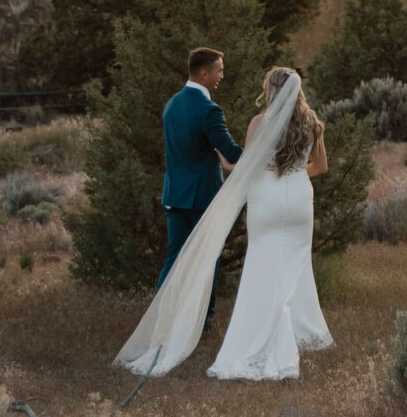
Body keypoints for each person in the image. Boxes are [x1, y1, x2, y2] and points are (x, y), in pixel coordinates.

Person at [116, 65, 331, 384]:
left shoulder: (261, 122)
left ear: (271, 91)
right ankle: (297, 329)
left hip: (267, 201)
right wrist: (295, 174)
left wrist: (228, 163)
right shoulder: (314, 125)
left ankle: (271, 338)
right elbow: (321, 167)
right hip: (300, 202)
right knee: (293, 268)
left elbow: (246, 168)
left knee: (262, 268)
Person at [157, 48, 243, 323]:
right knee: (207, 258)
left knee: (174, 258)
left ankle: (162, 317)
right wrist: (265, 153)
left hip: (174, 194)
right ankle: (202, 322)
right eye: (219, 70)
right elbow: (230, 152)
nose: (222, 75)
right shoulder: (208, 110)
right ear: (204, 73)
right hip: (202, 198)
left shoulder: (171, 104)